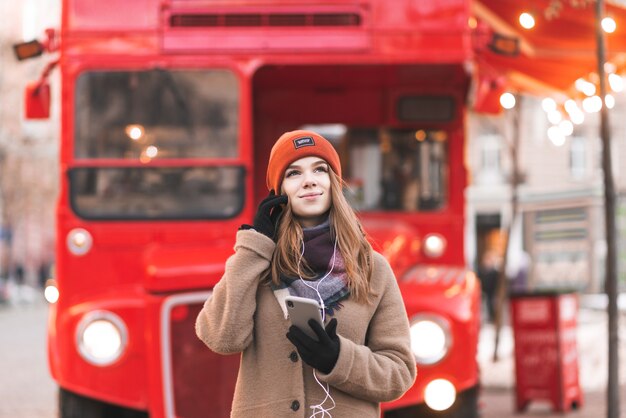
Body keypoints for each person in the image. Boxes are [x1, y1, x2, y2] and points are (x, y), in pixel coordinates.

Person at [196, 130, 416, 417]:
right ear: (279, 192)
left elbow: (399, 373)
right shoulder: (257, 263)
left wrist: (338, 358)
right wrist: (254, 246)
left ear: (333, 183)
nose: (309, 180)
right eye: (293, 173)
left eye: (320, 169)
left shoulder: (372, 268)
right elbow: (220, 337)